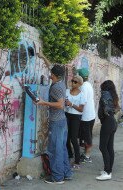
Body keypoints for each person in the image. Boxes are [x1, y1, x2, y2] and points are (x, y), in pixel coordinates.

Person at [36, 52, 72, 184]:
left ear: (55, 76)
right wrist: (42, 56)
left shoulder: (56, 87)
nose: (49, 74)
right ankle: (66, 173)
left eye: (51, 74)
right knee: (61, 148)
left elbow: (60, 104)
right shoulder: (61, 82)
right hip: (62, 121)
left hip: (57, 122)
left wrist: (43, 102)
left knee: (54, 150)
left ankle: (57, 177)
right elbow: (51, 66)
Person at [96, 80, 119, 181]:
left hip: (108, 122)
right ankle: (109, 170)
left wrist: (104, 112)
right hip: (112, 122)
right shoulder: (113, 95)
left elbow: (105, 108)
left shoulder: (105, 94)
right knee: (109, 147)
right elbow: (117, 108)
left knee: (102, 147)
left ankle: (107, 172)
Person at [65, 75, 85, 170]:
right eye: (72, 80)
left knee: (73, 138)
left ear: (80, 84)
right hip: (66, 114)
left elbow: (81, 109)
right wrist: (65, 103)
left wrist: (71, 104)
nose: (73, 83)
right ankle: (69, 155)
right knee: (66, 138)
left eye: (75, 82)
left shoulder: (82, 94)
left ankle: (77, 160)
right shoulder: (67, 91)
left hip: (76, 117)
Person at [77, 68, 96, 163]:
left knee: (86, 137)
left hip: (86, 116)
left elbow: (82, 101)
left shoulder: (83, 86)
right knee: (87, 135)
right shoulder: (88, 84)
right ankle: (86, 154)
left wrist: (74, 106)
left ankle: (87, 156)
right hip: (91, 114)